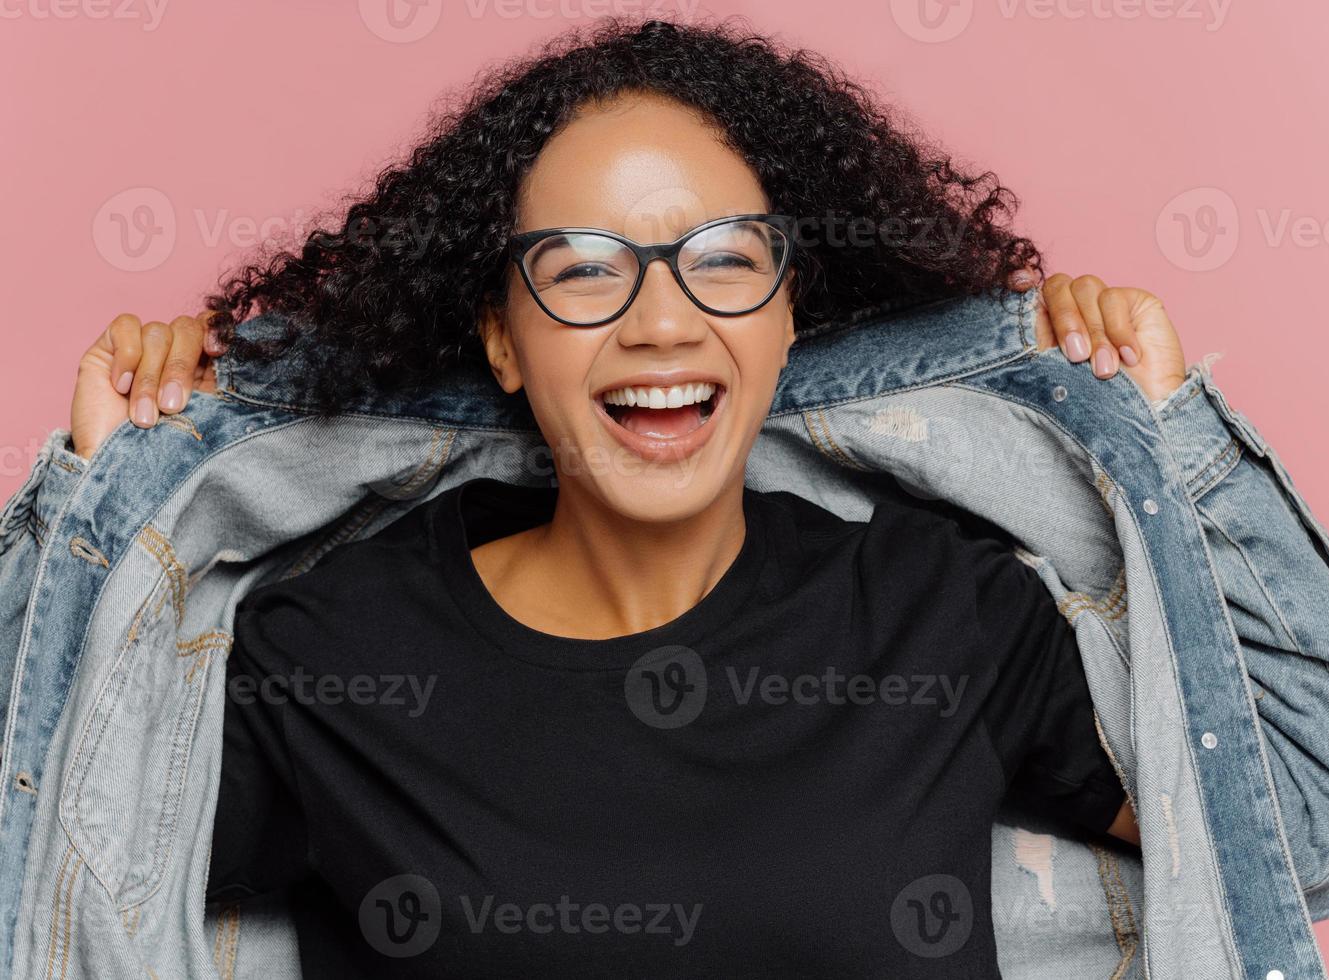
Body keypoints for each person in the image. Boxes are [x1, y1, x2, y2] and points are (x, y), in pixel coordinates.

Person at [63, 17, 1205, 980]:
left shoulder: (939, 612)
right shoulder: (330, 657)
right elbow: (50, 851)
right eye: (583, 269)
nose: (662, 321)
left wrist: (1176, 441)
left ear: (785, 310)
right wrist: (98, 511)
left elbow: (1305, 821)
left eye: (721, 258)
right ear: (502, 340)